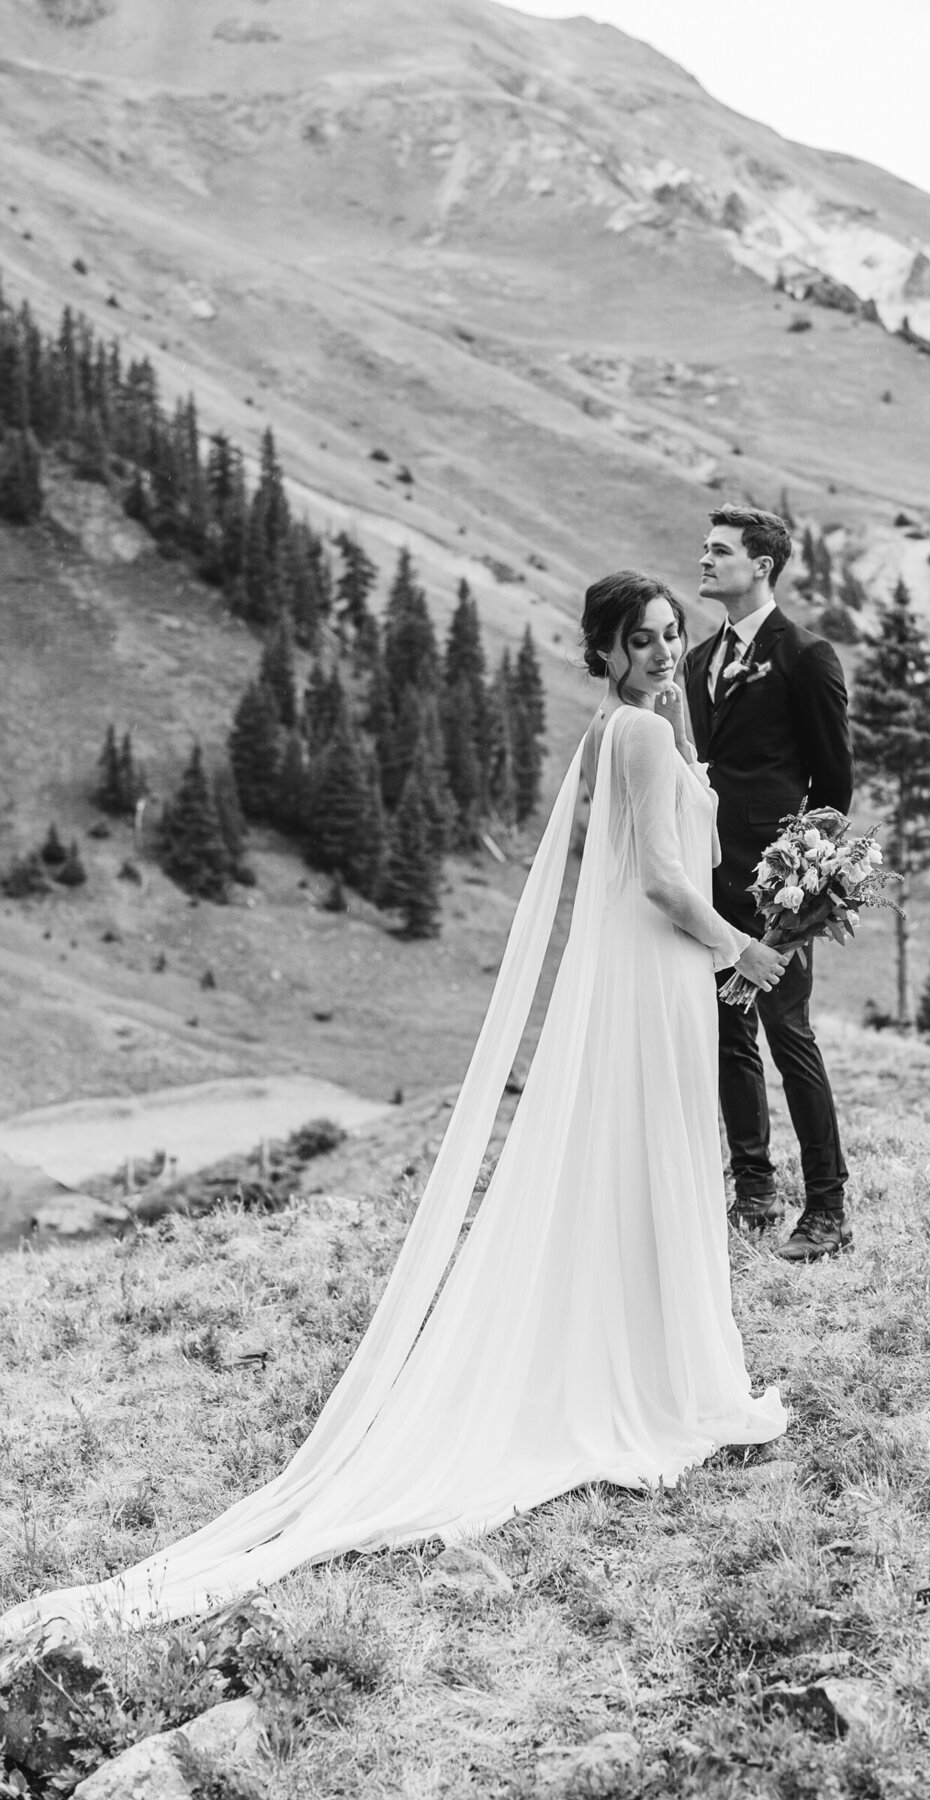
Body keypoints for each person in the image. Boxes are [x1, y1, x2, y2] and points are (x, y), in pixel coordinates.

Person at [0, 571, 786, 1641]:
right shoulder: (639, 735)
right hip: (657, 972)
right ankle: (672, 1379)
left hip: (655, 977)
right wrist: (744, 945)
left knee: (653, 1159)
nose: (660, 650)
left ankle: (661, 1364)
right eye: (640, 639)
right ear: (602, 653)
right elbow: (656, 878)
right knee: (664, 1156)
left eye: (670, 634)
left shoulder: (641, 727)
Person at [683, 507, 855, 1263]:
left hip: (777, 886)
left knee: (790, 1036)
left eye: (720, 551)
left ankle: (827, 1207)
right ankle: (752, 1190)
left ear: (761, 565)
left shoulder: (806, 656)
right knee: (727, 1035)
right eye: (706, 548)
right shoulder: (695, 659)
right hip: (708, 875)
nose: (705, 558)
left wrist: (802, 888)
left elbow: (835, 787)